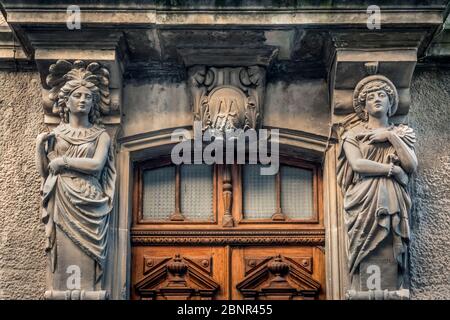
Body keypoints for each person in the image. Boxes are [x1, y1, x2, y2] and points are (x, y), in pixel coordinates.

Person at [36, 61, 115, 290]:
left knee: (89, 256)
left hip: (90, 198)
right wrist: (39, 147)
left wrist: (65, 161)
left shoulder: (101, 135)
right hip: (62, 196)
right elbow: (46, 174)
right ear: (66, 101)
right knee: (65, 255)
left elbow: (97, 165)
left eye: (88, 97)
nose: (83, 100)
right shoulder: (57, 134)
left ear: (93, 103)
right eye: (77, 95)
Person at [337, 74, 417, 292]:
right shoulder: (352, 135)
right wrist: (392, 170)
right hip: (364, 200)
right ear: (364, 106)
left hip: (392, 198)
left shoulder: (402, 133)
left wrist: (391, 137)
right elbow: (358, 164)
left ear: (391, 103)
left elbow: (411, 165)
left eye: (382, 95)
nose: (377, 99)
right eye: (371, 97)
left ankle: (388, 289)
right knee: (365, 246)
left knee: (389, 247)